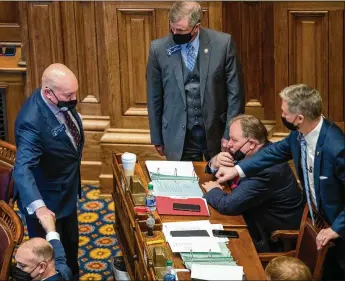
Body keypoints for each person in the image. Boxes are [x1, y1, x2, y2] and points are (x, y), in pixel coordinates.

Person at [215, 84, 345, 280]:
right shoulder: (300, 134)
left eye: (284, 113)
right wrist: (237, 170)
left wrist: (337, 227)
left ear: (299, 118)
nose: (282, 116)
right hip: (318, 222)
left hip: (338, 229)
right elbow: (272, 153)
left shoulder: (336, 147)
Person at [146, 1, 244, 161]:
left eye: (181, 30)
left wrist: (230, 135)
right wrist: (157, 137)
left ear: (196, 27)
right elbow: (154, 96)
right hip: (179, 135)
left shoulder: (222, 44)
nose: (175, 33)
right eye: (173, 28)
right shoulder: (158, 49)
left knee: (218, 182)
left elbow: (236, 95)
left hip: (216, 132)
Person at [13, 63, 83, 278]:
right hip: (47, 204)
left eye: (74, 93)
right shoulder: (30, 122)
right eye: (68, 95)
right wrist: (40, 208)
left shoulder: (56, 102)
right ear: (48, 92)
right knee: (49, 265)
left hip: (66, 192)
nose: (73, 99)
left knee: (70, 251)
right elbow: (22, 168)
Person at [202, 115, 304, 252]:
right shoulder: (248, 151)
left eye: (234, 140)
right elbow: (223, 172)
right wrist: (214, 162)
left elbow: (228, 205)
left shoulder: (267, 170)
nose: (228, 144)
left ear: (251, 143)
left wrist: (214, 189)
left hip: (267, 237)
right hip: (248, 217)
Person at [12, 214, 72, 281]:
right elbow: (59, 260)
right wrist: (51, 230)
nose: (17, 268)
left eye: (22, 266)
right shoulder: (64, 271)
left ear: (42, 266)